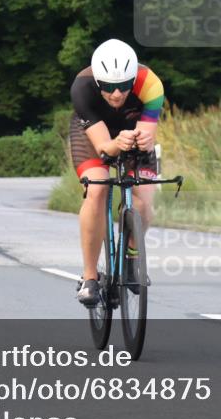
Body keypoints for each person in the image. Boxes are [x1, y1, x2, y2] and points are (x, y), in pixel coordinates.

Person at [70, 39, 164, 305]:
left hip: (132, 131)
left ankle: (132, 255)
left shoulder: (151, 84)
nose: (117, 94)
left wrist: (143, 140)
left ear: (133, 79)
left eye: (124, 87)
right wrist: (115, 144)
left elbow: (147, 132)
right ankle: (89, 277)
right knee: (97, 188)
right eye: (109, 88)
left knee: (145, 199)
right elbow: (103, 147)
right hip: (94, 135)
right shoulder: (82, 87)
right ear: (99, 82)